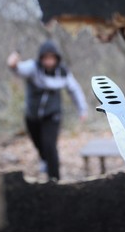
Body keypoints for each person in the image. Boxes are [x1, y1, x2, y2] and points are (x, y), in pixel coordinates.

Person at [7, 40, 88, 181]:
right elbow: (17, 68)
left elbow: (74, 90)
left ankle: (54, 179)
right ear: (41, 58)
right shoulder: (33, 68)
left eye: (52, 58)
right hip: (32, 116)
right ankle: (45, 161)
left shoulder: (62, 72)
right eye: (46, 58)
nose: (49, 62)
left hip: (52, 115)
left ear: (57, 58)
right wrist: (13, 62)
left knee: (50, 146)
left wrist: (82, 109)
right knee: (40, 145)